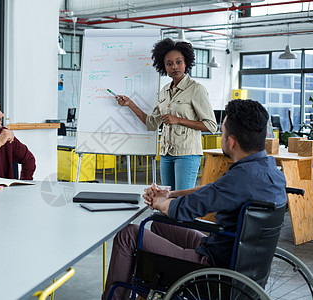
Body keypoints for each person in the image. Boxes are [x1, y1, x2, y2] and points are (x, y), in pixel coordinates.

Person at [102, 100, 287, 300]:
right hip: (236, 257)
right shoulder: (270, 171)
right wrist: (170, 195)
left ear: (231, 142)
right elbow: (213, 189)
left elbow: (183, 210)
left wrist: (160, 202)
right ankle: (143, 294)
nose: (221, 138)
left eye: (222, 134)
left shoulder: (240, 178)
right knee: (159, 225)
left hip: (212, 268)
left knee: (129, 234)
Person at [114, 38, 217, 191]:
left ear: (186, 63)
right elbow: (151, 123)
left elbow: (211, 126)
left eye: (178, 62)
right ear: (164, 67)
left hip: (187, 154)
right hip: (165, 154)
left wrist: (178, 120)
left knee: (181, 199)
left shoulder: (196, 89)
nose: (174, 66)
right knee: (167, 198)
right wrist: (130, 104)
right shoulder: (164, 91)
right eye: (169, 64)